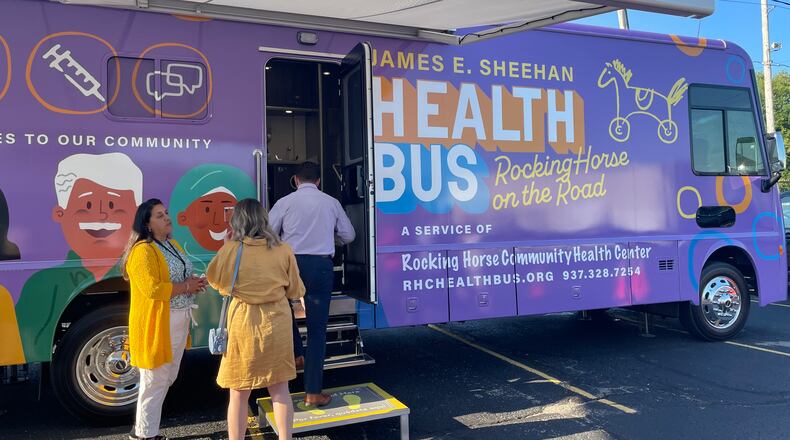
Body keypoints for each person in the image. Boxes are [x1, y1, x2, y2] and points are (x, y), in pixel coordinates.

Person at [16, 152, 142, 362]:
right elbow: (30, 340)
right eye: (88, 205)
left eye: (112, 205)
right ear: (60, 214)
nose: (102, 215)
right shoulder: (40, 282)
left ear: (136, 214)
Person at [207, 199, 305, 440]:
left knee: (239, 392)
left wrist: (225, 246)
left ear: (237, 221)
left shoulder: (231, 249)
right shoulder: (283, 249)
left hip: (243, 321)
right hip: (277, 321)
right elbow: (295, 291)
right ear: (264, 219)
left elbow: (216, 282)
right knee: (280, 388)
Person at [269, 161, 355, 407]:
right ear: (318, 181)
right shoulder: (331, 203)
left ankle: (297, 354)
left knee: (285, 312)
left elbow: (268, 233)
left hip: (289, 264)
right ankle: (313, 392)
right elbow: (349, 235)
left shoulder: (284, 203)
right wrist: (331, 238)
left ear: (296, 180)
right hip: (320, 266)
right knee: (317, 330)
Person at [123, 198, 207, 440]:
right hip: (158, 322)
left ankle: (142, 427)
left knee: (167, 377)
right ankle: (144, 434)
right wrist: (185, 285)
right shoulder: (142, 251)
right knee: (155, 380)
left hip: (178, 319)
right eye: (159, 215)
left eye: (166, 213)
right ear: (147, 224)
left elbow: (179, 275)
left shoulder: (171, 244)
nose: (167, 218)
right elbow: (152, 289)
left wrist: (193, 282)